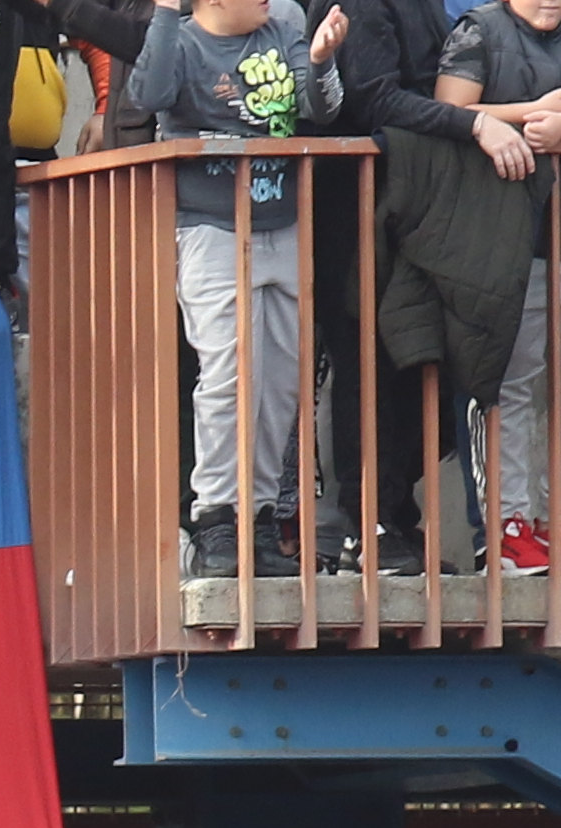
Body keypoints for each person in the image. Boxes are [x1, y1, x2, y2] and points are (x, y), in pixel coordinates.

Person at [133, 0, 345, 579]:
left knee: (280, 379)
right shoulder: (182, 40)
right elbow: (148, 94)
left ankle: (258, 517)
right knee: (228, 374)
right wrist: (163, 13)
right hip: (211, 227)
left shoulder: (283, 32)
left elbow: (321, 109)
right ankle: (215, 519)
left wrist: (322, 59)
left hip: (283, 222)